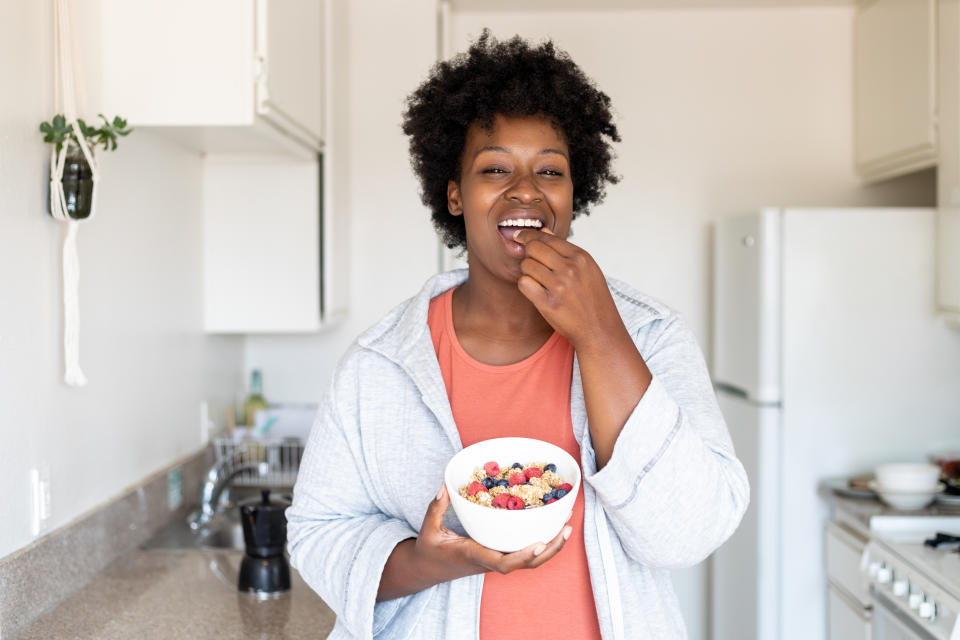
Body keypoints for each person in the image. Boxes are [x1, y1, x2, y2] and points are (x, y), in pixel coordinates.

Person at [287, 31, 749, 640]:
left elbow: (693, 530)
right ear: (453, 194)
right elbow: (319, 530)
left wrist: (601, 332)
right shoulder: (381, 362)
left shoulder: (650, 334)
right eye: (495, 168)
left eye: (549, 170)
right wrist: (427, 561)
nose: (525, 189)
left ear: (573, 194)